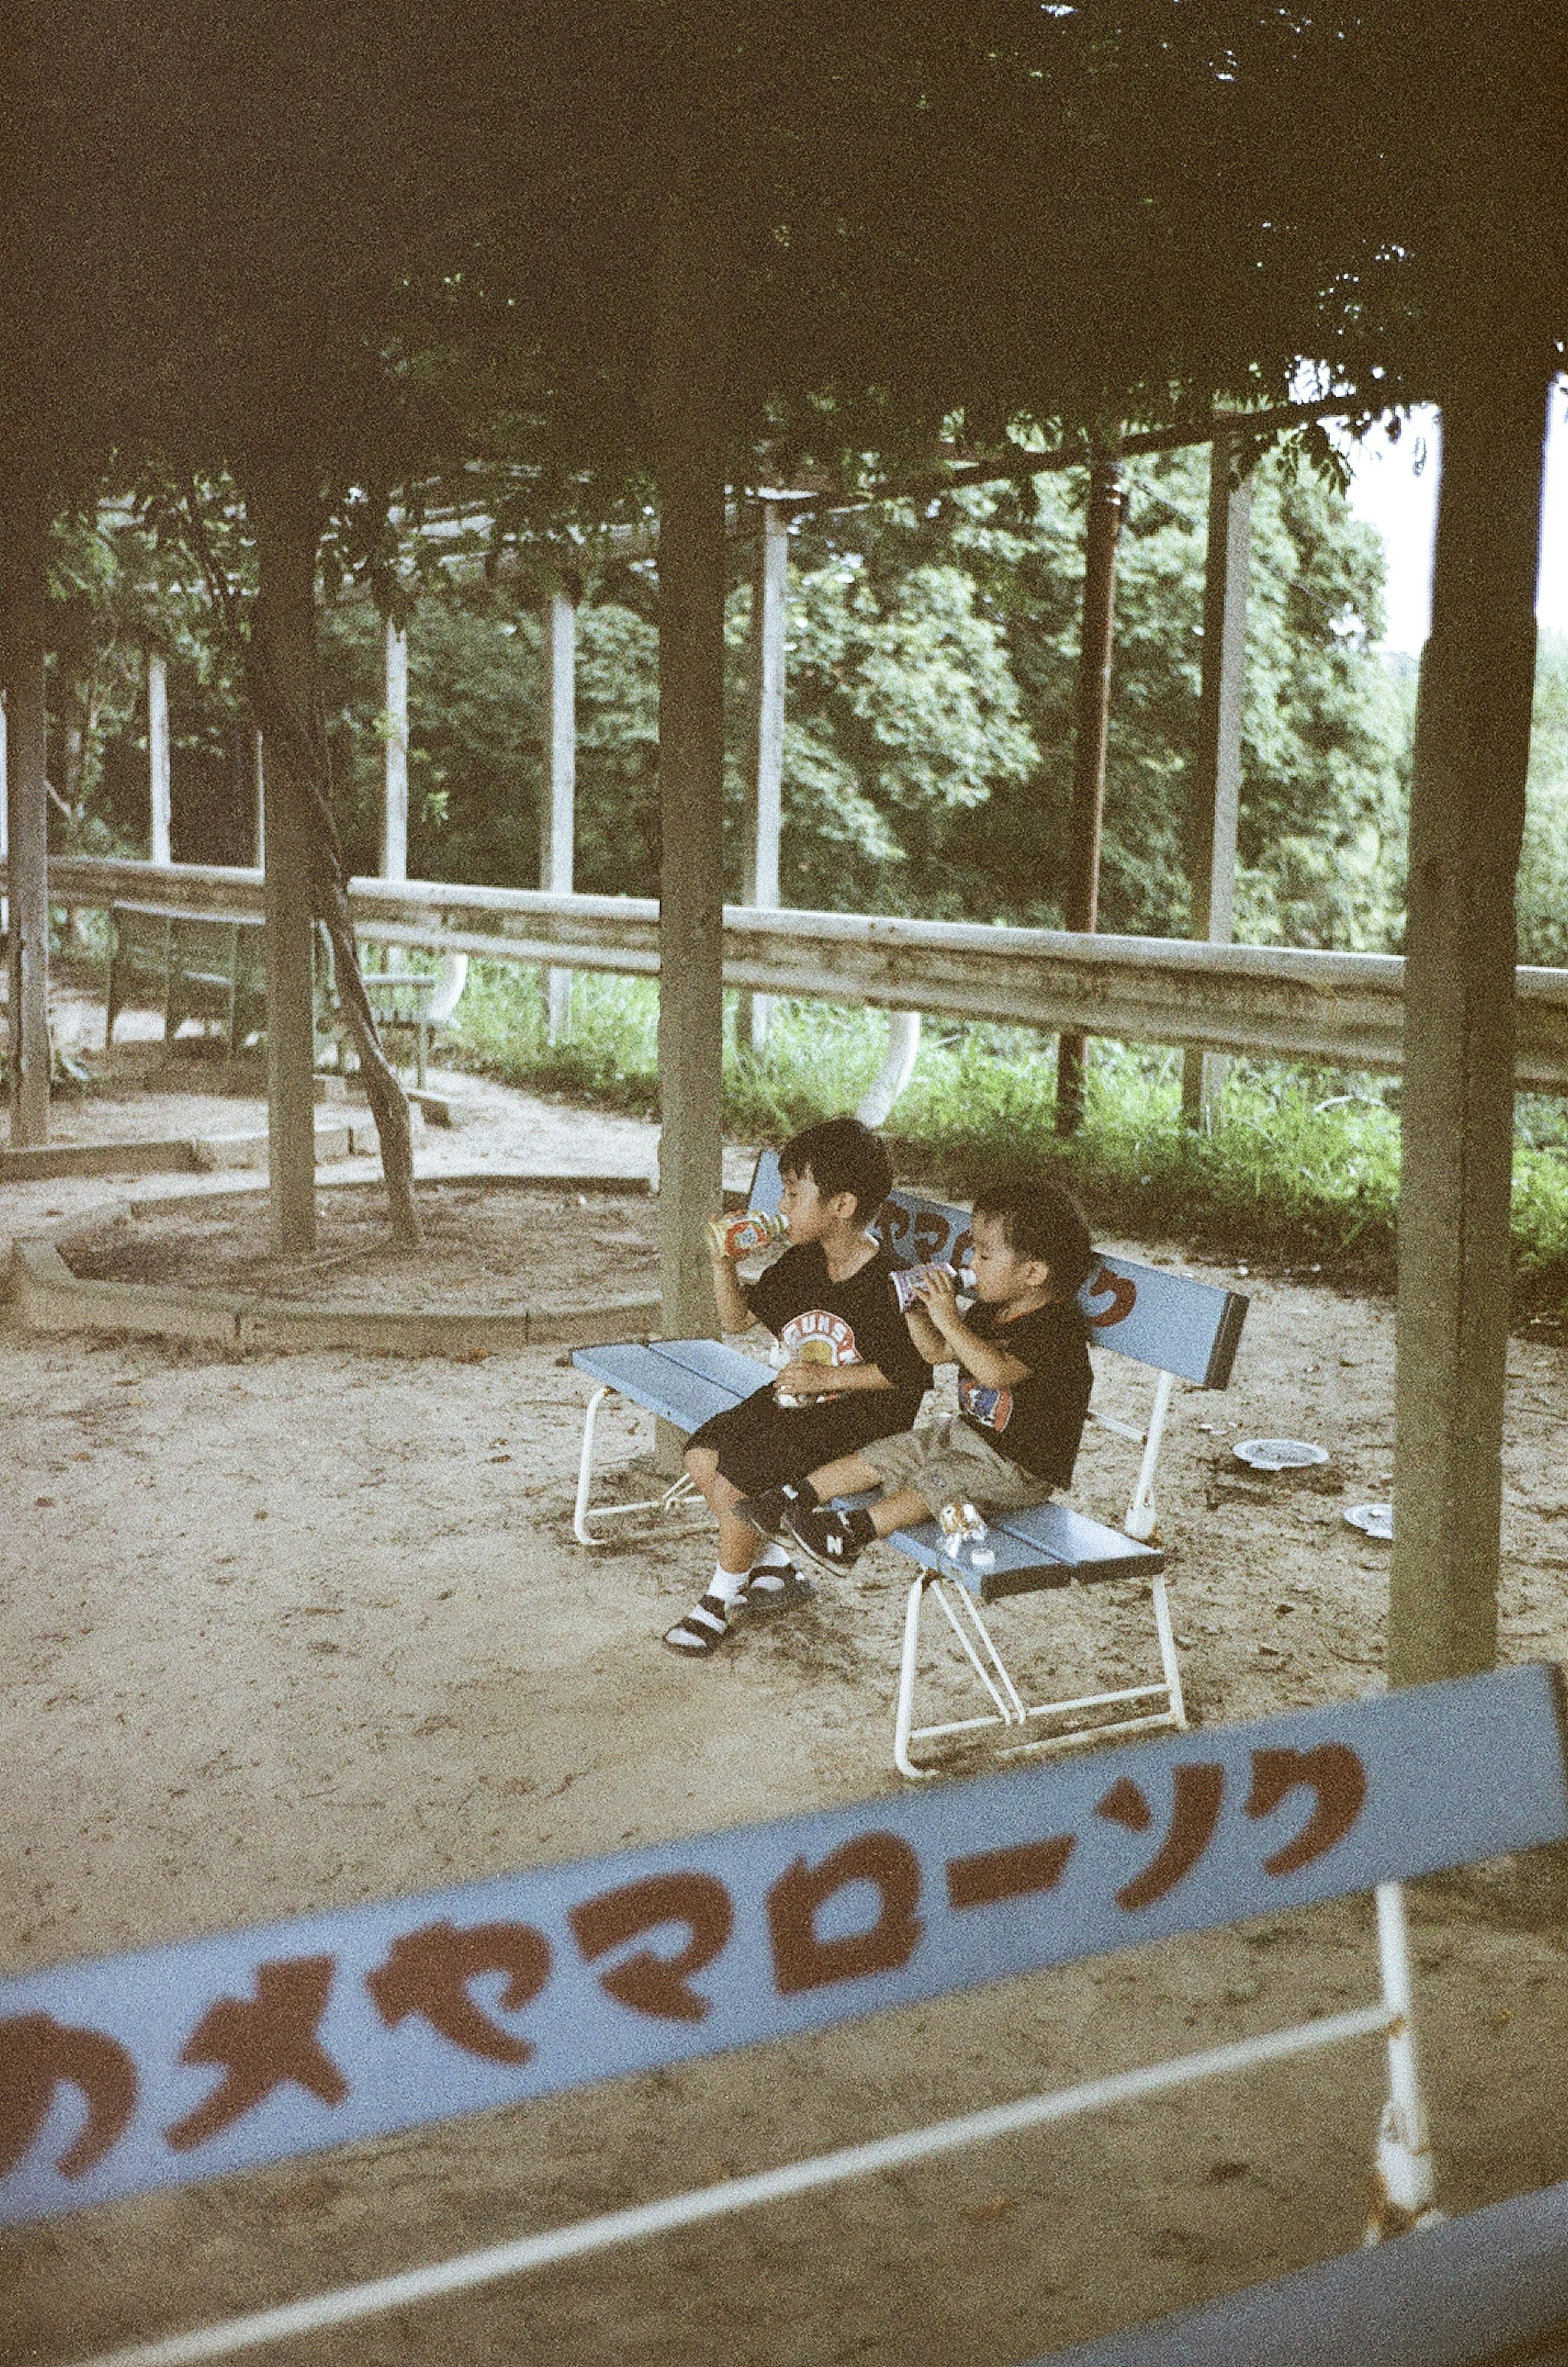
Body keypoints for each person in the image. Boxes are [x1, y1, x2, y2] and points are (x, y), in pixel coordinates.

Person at [662, 1117, 931, 1656]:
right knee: (702, 1456)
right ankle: (776, 1566)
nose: (781, 1206)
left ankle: (718, 1600)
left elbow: (911, 1375)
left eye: (792, 1193)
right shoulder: (804, 1262)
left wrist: (830, 1377)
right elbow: (736, 1320)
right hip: (799, 1400)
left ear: (842, 1205)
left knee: (740, 1486)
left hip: (862, 1417)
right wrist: (724, 1263)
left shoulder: (889, 1282)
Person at [744, 1177, 1094, 1575]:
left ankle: (850, 1535)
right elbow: (937, 1352)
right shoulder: (990, 1310)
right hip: (968, 1436)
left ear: (1032, 1273)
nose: (972, 1266)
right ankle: (790, 1499)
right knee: (895, 1450)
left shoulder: (1055, 1328)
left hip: (1017, 1468)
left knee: (935, 1479)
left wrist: (947, 1316)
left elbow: (994, 1374)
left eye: (983, 1256)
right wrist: (915, 1310)